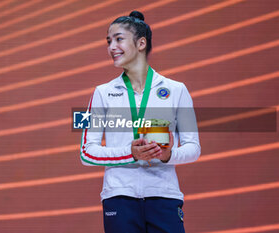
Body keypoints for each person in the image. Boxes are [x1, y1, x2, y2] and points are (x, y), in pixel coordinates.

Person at [80, 10, 201, 233]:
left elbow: (194, 148)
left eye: (118, 39)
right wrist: (130, 153)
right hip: (119, 198)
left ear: (141, 43)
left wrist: (168, 156)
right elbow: (87, 153)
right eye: (109, 41)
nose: (111, 47)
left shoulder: (176, 90)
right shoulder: (102, 93)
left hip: (164, 196)